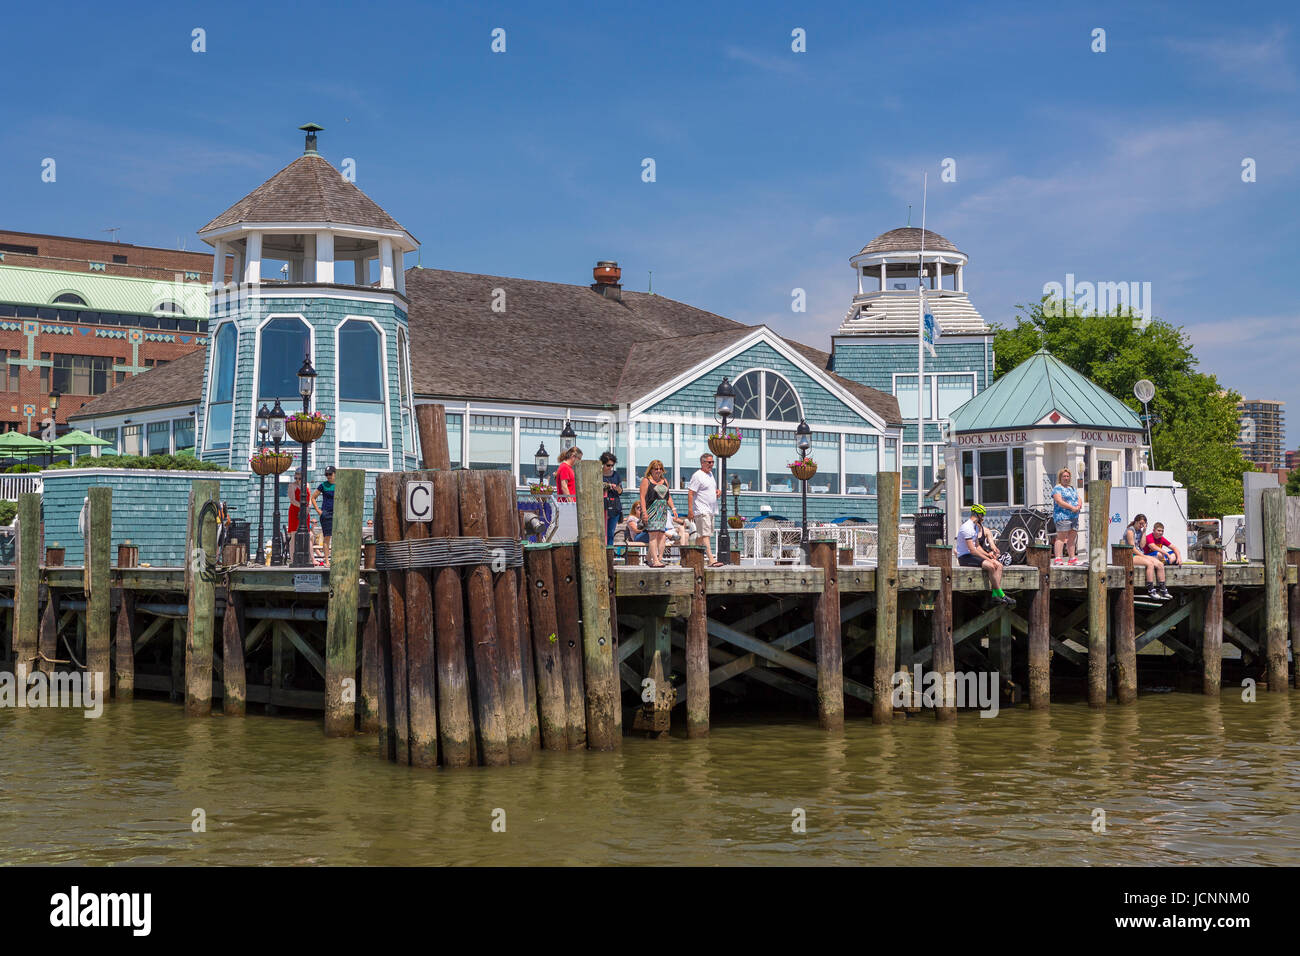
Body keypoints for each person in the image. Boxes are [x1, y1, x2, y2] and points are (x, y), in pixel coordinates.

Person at [956, 503, 1015, 607]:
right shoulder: (967, 527)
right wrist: (989, 560)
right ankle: (1001, 594)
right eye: (982, 515)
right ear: (978, 515)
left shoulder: (975, 527)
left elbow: (978, 546)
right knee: (991, 566)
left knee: (999, 565)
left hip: (972, 555)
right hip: (964, 557)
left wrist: (989, 555)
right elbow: (972, 550)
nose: (983, 518)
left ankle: (994, 595)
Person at [638, 458, 679, 568]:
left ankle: (659, 559)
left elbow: (668, 496)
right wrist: (644, 512)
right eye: (656, 469)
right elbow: (642, 497)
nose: (658, 471)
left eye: (660, 469)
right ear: (651, 470)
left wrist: (673, 509)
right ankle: (654, 560)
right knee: (653, 535)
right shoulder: (646, 480)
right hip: (652, 509)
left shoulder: (664, 481)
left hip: (663, 510)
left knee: (662, 535)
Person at [1124, 513, 1170, 601]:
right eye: (1140, 523)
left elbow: (1142, 545)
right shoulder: (1130, 531)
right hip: (1131, 555)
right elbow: (1132, 548)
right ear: (1136, 522)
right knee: (1150, 564)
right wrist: (1143, 556)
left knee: (1160, 564)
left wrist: (1144, 531)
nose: (1141, 526)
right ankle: (1151, 590)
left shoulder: (1140, 531)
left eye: (1143, 524)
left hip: (1139, 554)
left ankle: (1163, 589)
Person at [687, 452, 722, 567]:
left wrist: (717, 492)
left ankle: (695, 559)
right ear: (702, 463)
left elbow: (708, 490)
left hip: (711, 509)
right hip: (702, 510)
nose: (711, 464)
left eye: (712, 462)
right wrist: (690, 510)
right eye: (709, 462)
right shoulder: (697, 475)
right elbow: (691, 493)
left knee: (701, 537)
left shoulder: (711, 475)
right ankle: (711, 560)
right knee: (705, 535)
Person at [1052, 467, 1082, 565]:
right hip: (1062, 516)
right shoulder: (1057, 488)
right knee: (1061, 537)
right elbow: (1059, 501)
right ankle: (1058, 558)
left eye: (1068, 476)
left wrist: (1078, 506)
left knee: (1072, 537)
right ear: (1060, 477)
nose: (1066, 478)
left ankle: (1072, 558)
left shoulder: (1072, 488)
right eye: (1064, 476)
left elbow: (1078, 498)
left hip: (1074, 516)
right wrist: (1071, 507)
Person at [287, 469, 312, 564]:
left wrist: (308, 507)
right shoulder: (292, 486)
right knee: (294, 535)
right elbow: (292, 500)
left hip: (305, 512)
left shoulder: (307, 485)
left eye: (300, 478)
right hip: (295, 511)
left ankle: (308, 559)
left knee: (307, 534)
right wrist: (303, 507)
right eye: (296, 477)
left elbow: (310, 498)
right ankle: (293, 560)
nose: (297, 480)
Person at [313, 465, 336, 564]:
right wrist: (318, 510)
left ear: (335, 474)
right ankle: (327, 560)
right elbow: (313, 497)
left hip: (338, 513)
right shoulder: (323, 485)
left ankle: (337, 559)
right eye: (326, 474)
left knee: (338, 536)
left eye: (330, 474)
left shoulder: (341, 484)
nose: (328, 476)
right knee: (327, 537)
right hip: (326, 514)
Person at [600, 452, 623, 546]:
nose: (610, 467)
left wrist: (616, 487)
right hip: (601, 506)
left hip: (614, 507)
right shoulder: (598, 474)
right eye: (608, 465)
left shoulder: (616, 475)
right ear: (603, 464)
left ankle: (609, 553)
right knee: (601, 533)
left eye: (612, 465)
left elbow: (621, 492)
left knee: (610, 533)